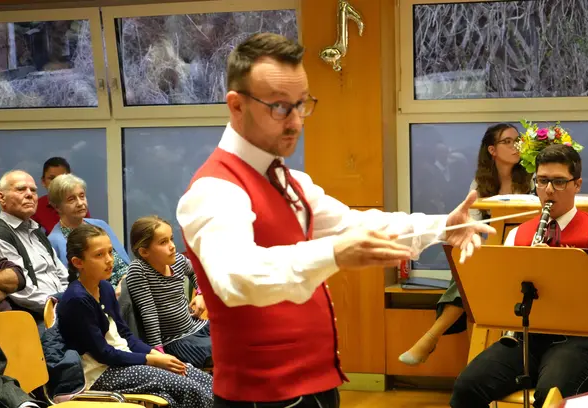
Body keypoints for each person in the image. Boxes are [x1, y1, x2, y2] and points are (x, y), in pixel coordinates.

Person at [176, 32, 494, 408]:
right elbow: (237, 278)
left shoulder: (291, 182)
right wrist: (334, 253)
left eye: (301, 104)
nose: (296, 121)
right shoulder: (215, 188)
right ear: (236, 106)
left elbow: (352, 225)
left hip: (316, 387)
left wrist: (443, 227)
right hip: (262, 397)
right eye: (280, 107)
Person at [449, 144, 588, 408]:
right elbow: (503, 297)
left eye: (559, 182)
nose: (549, 190)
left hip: (580, 341)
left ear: (577, 185)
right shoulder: (517, 235)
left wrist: (563, 271)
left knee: (550, 394)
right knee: (467, 386)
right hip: (526, 339)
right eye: (542, 181)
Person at [400, 123, 534, 365]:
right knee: (469, 265)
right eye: (507, 141)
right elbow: (472, 225)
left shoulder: (533, 179)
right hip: (493, 252)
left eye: (518, 140)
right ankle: (433, 339)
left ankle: (431, 337)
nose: (515, 146)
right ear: (492, 150)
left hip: (525, 251)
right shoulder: (480, 184)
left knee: (475, 269)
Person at [56, 224, 214, 408]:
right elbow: (104, 354)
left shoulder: (105, 287)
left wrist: (156, 354)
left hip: (125, 359)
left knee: (201, 378)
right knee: (187, 387)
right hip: (99, 373)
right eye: (99, 255)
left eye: (110, 252)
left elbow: (126, 336)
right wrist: (152, 360)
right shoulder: (77, 299)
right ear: (78, 262)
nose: (109, 260)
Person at [126, 216, 211, 369]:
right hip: (175, 341)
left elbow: (195, 272)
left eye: (171, 239)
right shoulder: (139, 270)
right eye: (163, 242)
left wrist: (200, 293)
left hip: (195, 326)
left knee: (236, 332)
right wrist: (159, 353)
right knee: (219, 349)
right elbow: (149, 313)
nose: (172, 246)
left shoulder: (178, 260)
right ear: (144, 251)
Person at [0, 170, 68, 331]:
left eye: (34, 190)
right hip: (35, 319)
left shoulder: (37, 231)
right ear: (1, 198)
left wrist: (71, 301)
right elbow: (22, 291)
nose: (30, 194)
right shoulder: (1, 233)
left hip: (61, 309)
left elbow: (62, 274)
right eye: (21, 189)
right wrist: (61, 306)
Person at [47, 174, 129, 295]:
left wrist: (123, 284)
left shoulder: (101, 225)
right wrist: (112, 294)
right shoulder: (53, 241)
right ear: (57, 207)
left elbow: (126, 266)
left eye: (82, 196)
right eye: (71, 199)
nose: (80, 203)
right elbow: (73, 285)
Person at [32, 157, 90, 235]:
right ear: (43, 181)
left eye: (62, 177)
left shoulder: (79, 203)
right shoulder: (36, 206)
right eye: (52, 178)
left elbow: (88, 232)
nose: (58, 183)